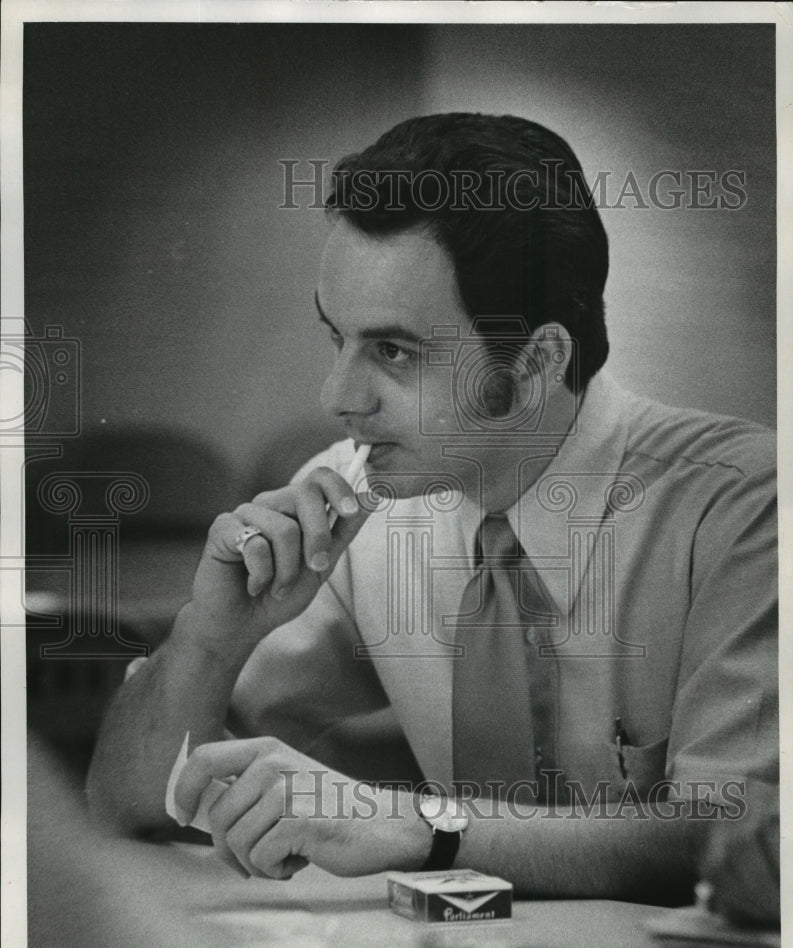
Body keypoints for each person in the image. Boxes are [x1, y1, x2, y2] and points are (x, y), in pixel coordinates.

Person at [86, 114, 777, 902]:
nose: (336, 396)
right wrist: (209, 638)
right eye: (336, 339)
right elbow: (125, 802)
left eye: (393, 352)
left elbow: (738, 835)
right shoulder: (354, 499)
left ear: (538, 361)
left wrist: (424, 826)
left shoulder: (742, 504)